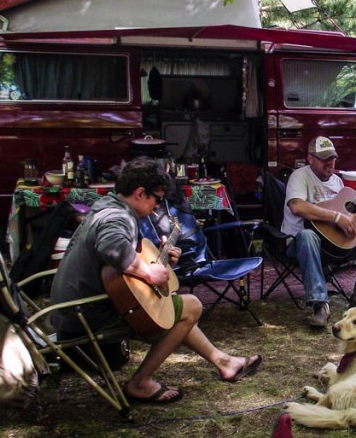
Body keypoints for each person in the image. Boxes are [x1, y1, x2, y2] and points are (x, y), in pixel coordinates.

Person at [50, 157, 262, 405]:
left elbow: (120, 269)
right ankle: (140, 382)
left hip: (77, 309)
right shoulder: (116, 217)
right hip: (87, 315)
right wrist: (149, 273)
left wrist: (160, 260)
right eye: (158, 200)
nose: (158, 207)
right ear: (140, 193)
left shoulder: (107, 205)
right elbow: (112, 248)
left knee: (175, 307)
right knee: (191, 306)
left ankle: (224, 362)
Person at [282, 136, 356, 328]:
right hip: (302, 245)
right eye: (324, 159)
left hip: (335, 245)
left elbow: (347, 214)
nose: (330, 163)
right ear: (310, 158)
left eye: (332, 158)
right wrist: (336, 217)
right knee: (307, 236)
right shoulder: (300, 176)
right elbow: (297, 206)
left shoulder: (338, 182)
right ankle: (320, 305)